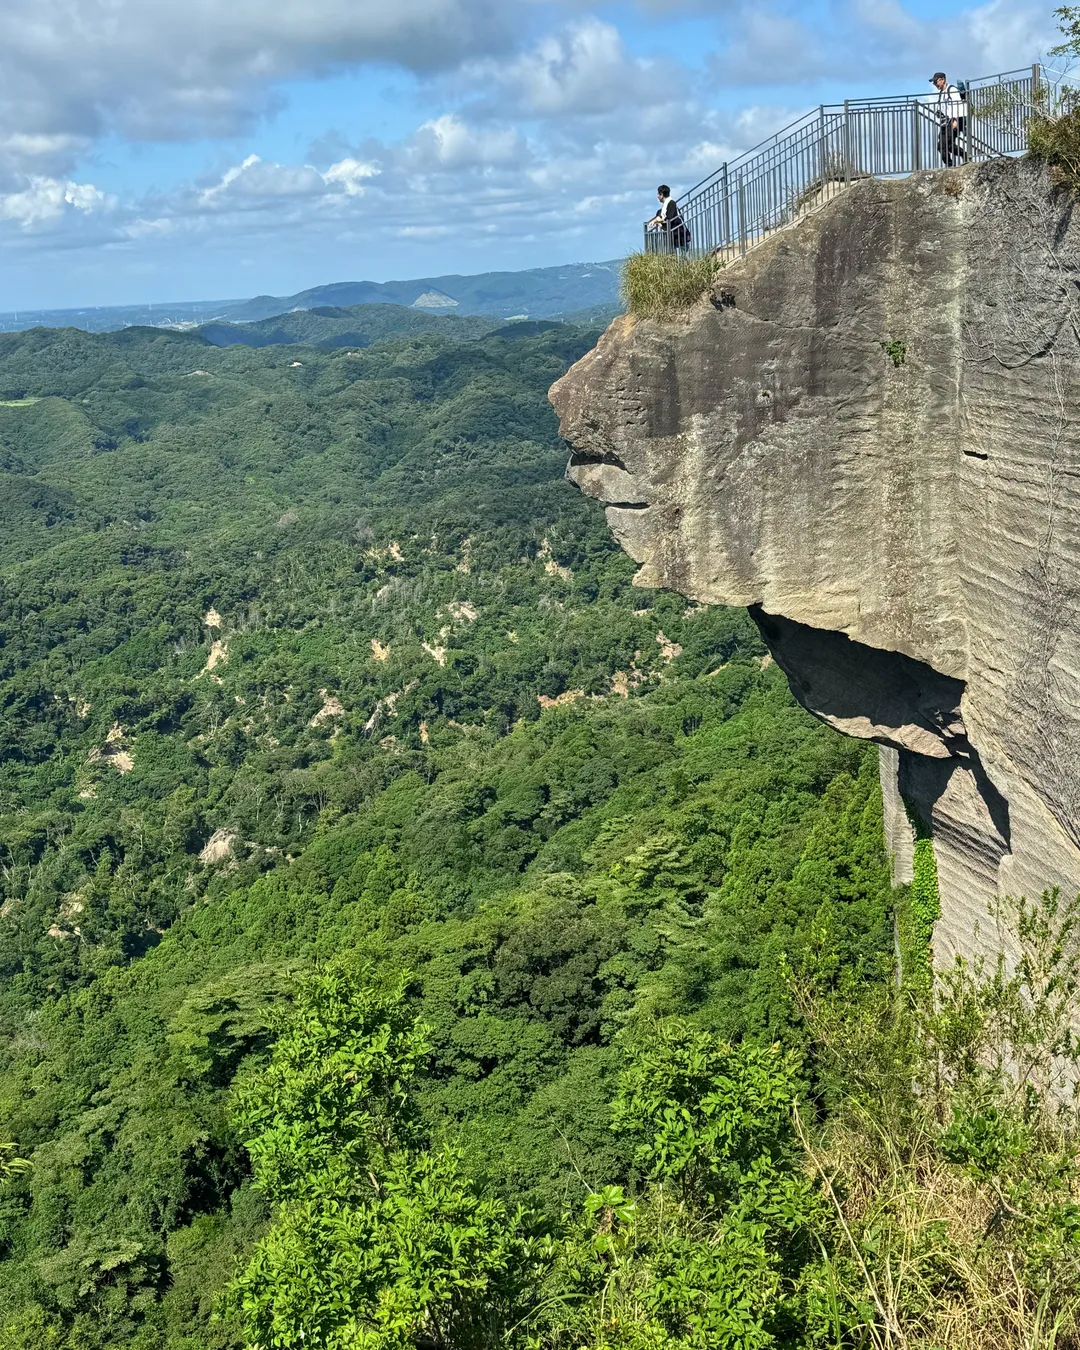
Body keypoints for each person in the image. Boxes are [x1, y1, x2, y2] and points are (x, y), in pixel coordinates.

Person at [930, 72, 967, 167]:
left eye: (936, 82)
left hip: (954, 121)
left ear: (942, 79)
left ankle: (956, 161)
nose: (935, 84)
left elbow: (958, 106)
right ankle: (952, 163)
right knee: (942, 146)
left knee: (946, 144)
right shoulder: (941, 93)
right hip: (945, 122)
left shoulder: (952, 90)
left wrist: (956, 121)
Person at [646, 185, 690, 252]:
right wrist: (655, 221)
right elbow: (660, 216)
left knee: (684, 254)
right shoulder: (664, 206)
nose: (657, 196)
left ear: (662, 194)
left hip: (679, 233)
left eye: (658, 194)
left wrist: (659, 221)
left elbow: (669, 218)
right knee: (674, 253)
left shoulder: (671, 203)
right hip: (672, 233)